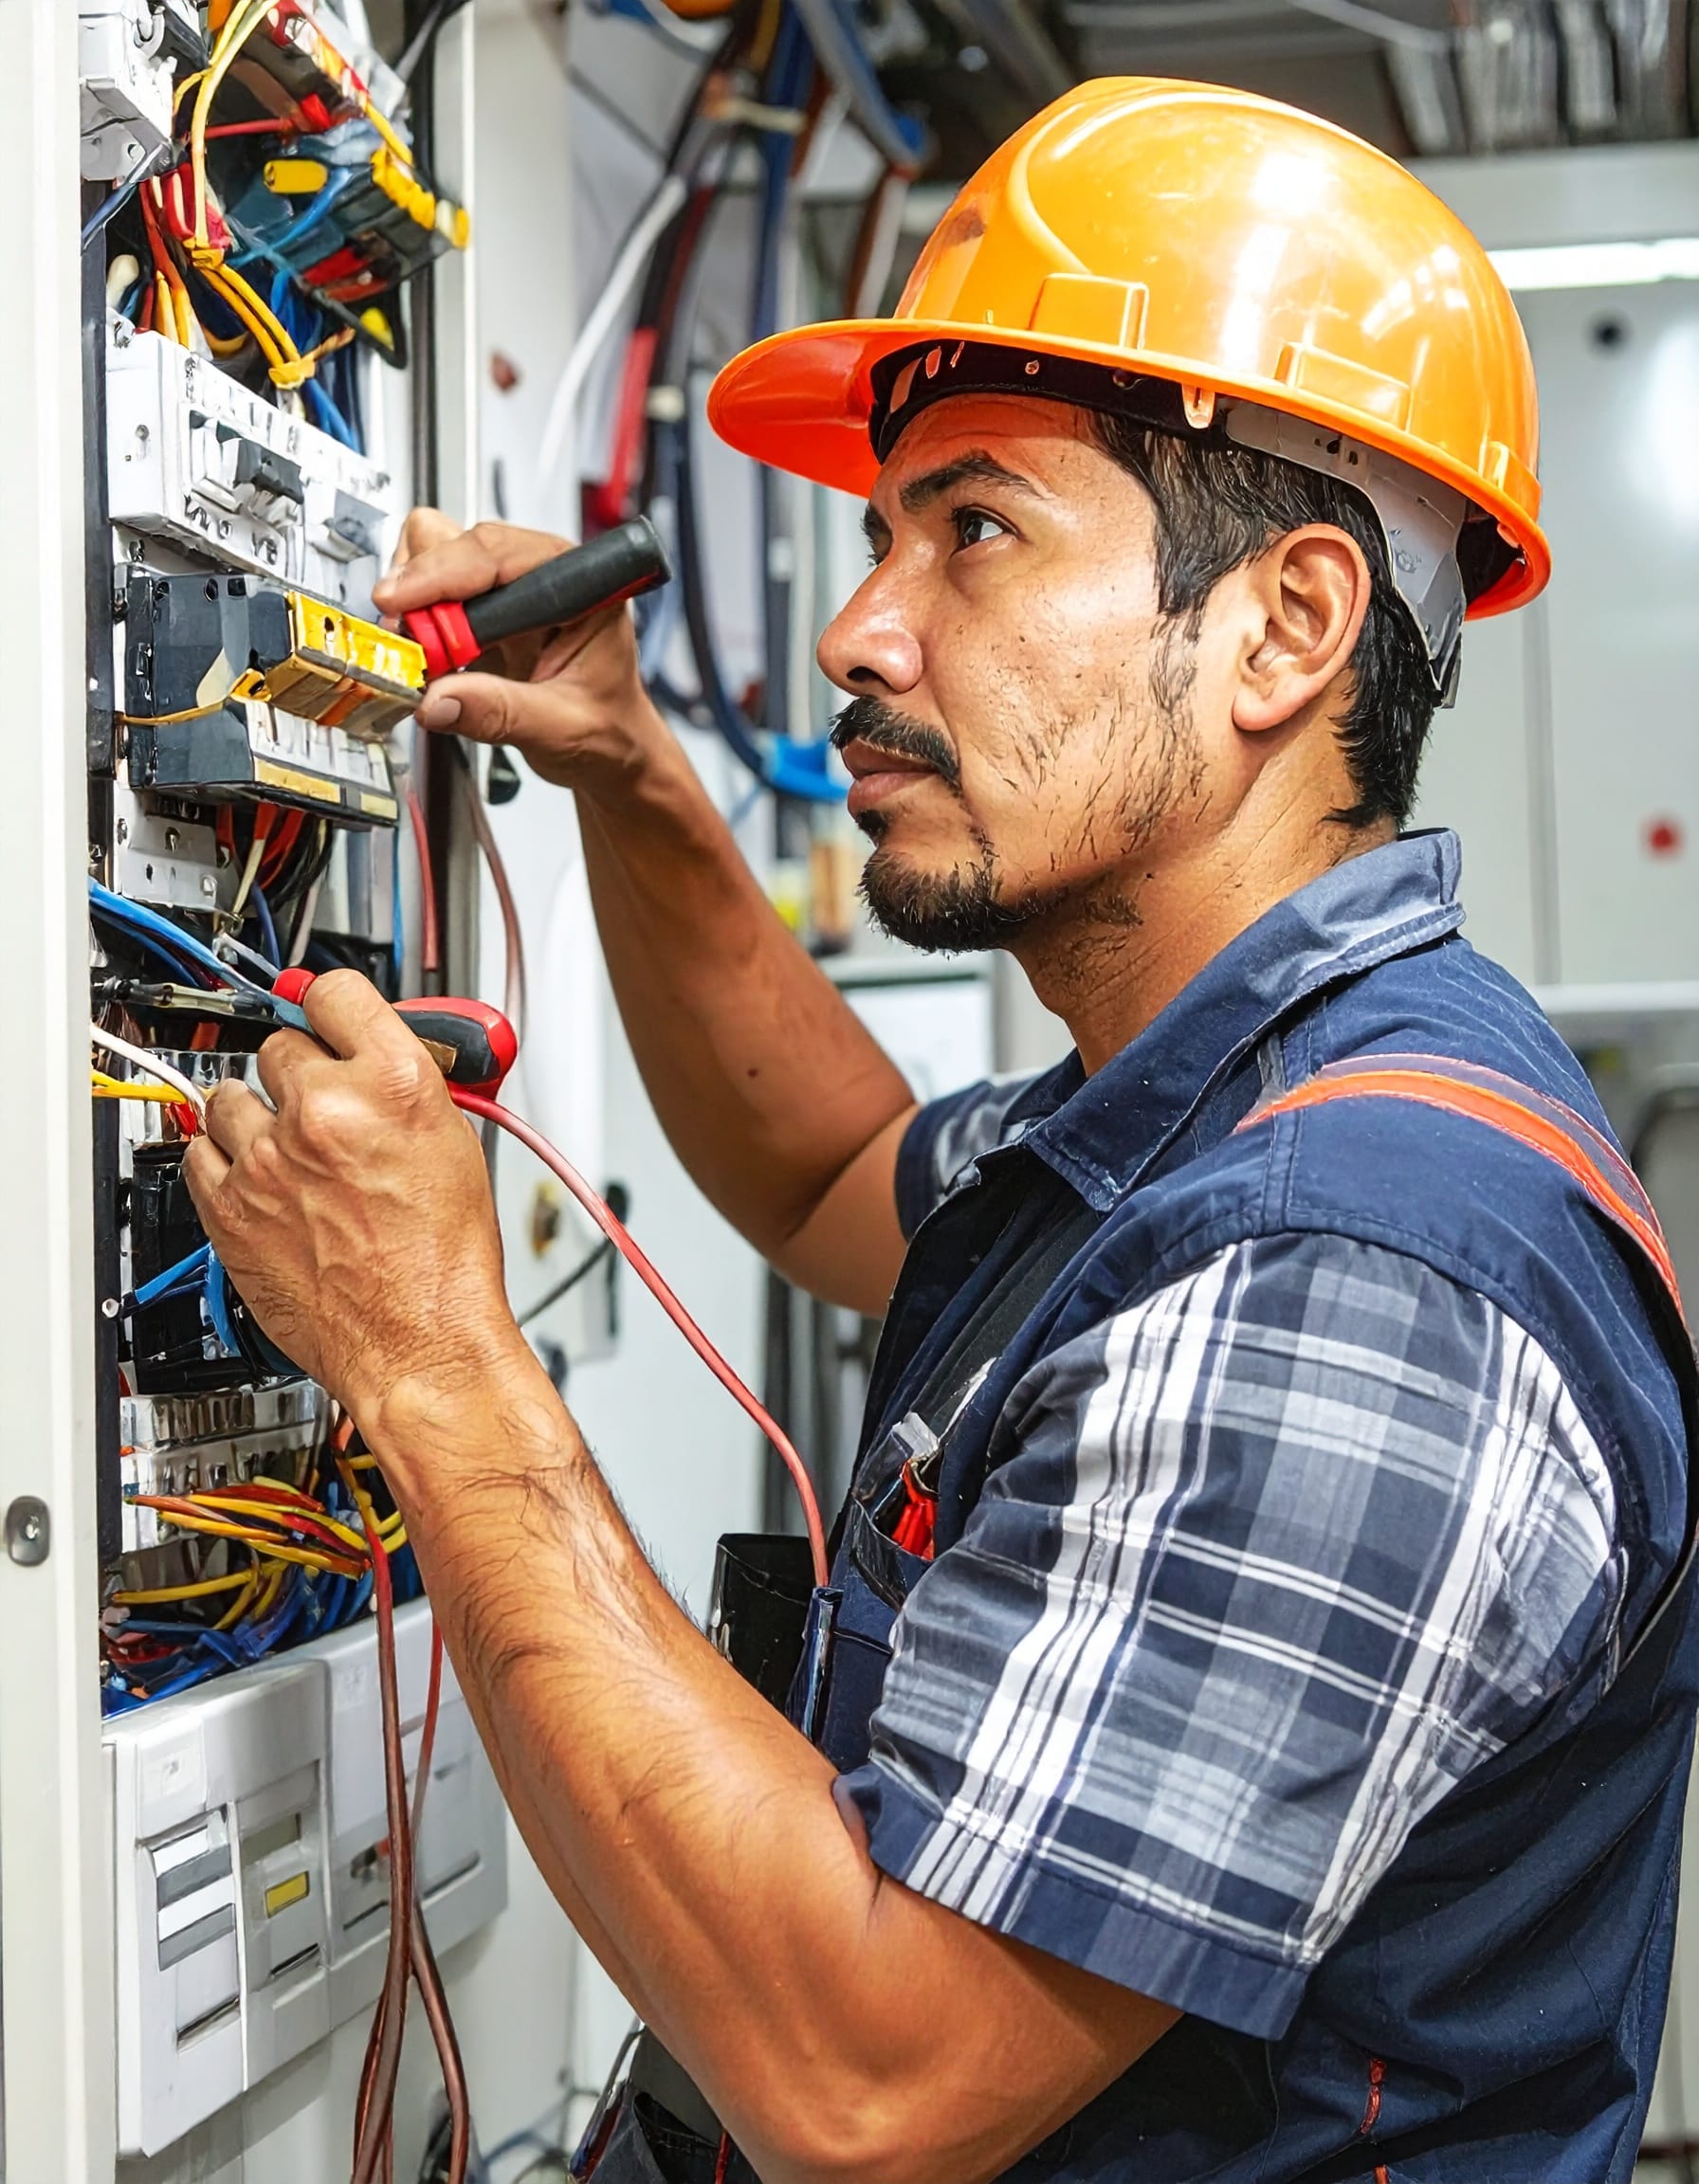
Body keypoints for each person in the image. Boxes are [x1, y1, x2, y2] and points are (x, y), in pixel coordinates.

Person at [187, 79, 1697, 2184]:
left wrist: (433, 1354)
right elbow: (823, 1170)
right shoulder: (1203, 1115)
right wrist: (629, 766)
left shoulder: (1351, 1261)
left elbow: (869, 2085)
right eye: (882, 529)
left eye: (969, 529)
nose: (853, 626)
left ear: (1285, 626)